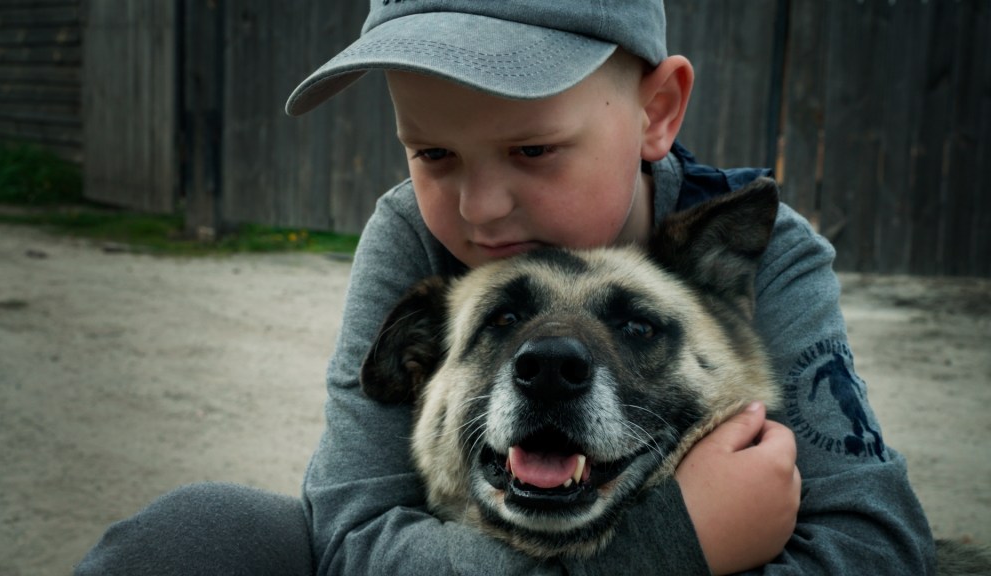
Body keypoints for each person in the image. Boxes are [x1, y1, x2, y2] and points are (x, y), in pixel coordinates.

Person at [77, 1, 936, 574]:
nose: (479, 210)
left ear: (657, 112)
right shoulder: (410, 236)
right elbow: (352, 530)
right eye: (432, 155)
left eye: (533, 150)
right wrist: (674, 543)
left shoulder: (758, 249)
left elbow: (880, 546)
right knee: (200, 534)